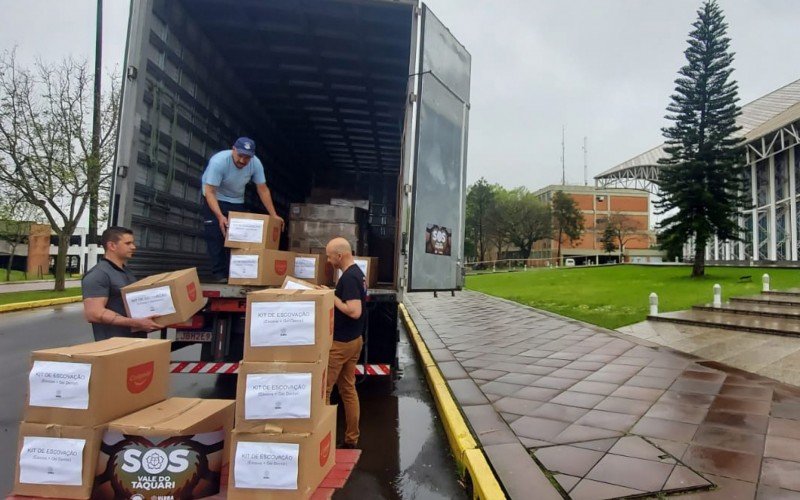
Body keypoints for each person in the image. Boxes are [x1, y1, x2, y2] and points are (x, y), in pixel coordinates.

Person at [201, 137, 284, 282]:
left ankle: (236, 273)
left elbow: (263, 190)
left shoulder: (255, 163)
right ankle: (219, 274)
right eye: (240, 155)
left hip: (236, 201)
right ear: (233, 149)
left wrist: (274, 215)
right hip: (215, 198)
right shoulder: (218, 162)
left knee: (237, 238)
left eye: (247, 157)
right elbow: (210, 192)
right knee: (216, 235)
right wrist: (220, 216)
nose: (242, 160)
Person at [323, 237, 367, 449]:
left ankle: (320, 439)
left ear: (339, 255)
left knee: (324, 391)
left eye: (330, 256)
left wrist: (333, 297)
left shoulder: (349, 278)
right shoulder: (358, 273)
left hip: (341, 344)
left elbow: (355, 310)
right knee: (348, 390)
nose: (328, 260)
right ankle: (351, 439)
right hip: (354, 340)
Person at [82, 226, 162, 341]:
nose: (133, 247)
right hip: (113, 346)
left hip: (135, 342)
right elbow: (93, 313)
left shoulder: (126, 272)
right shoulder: (98, 274)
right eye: (128, 243)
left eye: (133, 243)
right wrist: (135, 323)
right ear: (112, 246)